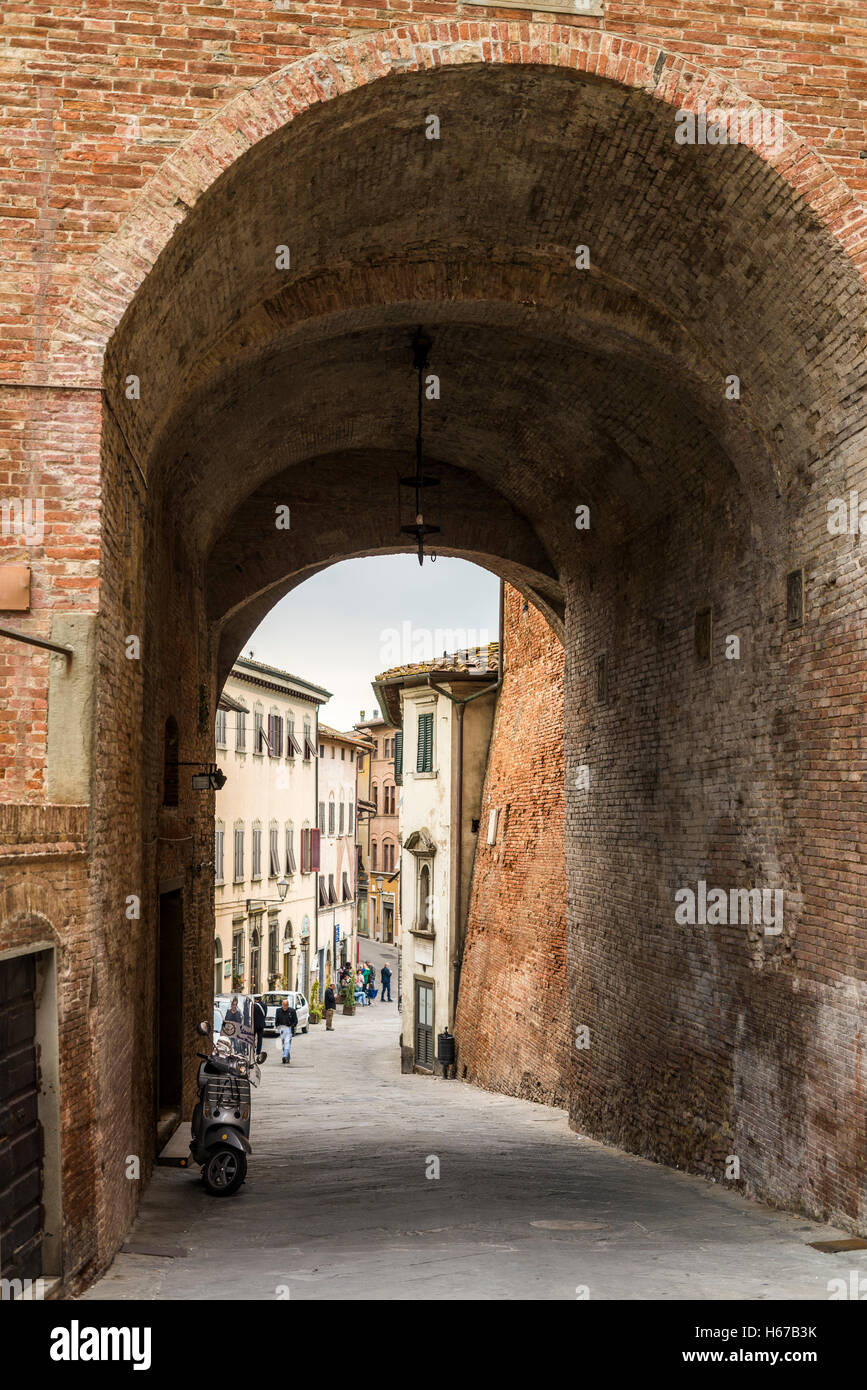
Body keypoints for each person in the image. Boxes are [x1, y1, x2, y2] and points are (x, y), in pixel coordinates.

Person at [274, 997, 298, 1064]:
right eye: (283, 1005)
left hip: (288, 1029)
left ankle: (284, 1056)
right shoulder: (278, 1010)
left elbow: (295, 1021)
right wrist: (277, 1026)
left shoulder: (292, 1011)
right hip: (281, 1029)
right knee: (284, 1044)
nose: (284, 1007)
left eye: (286, 1005)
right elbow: (276, 1020)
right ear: (282, 1004)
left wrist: (291, 1026)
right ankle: (287, 1058)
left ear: (288, 1005)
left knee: (287, 1043)